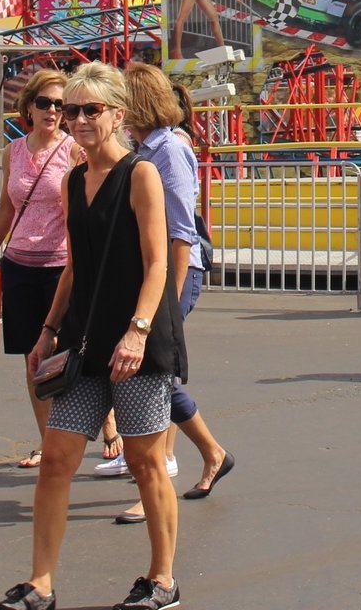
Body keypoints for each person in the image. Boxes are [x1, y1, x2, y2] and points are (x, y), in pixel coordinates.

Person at [0, 63, 187, 610]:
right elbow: (74, 267)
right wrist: (48, 330)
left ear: (117, 115)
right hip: (84, 338)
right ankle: (40, 582)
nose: (77, 120)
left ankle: (162, 578)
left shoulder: (140, 173)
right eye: (71, 110)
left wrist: (138, 331)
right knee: (57, 457)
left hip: (139, 341)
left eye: (89, 110)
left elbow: (157, 264)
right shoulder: (71, 181)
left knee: (147, 462)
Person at [117, 62, 233, 520]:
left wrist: (172, 296)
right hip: (155, 271)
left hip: (173, 272)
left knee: (154, 373)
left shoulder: (169, 149)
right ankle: (208, 453)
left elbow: (182, 230)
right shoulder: (147, 146)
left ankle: (166, 469)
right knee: (156, 374)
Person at [0, 68, 78, 469]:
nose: (53, 111)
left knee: (71, 353)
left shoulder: (74, 149)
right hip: (20, 264)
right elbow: (7, 206)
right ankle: (47, 441)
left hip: (61, 266)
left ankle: (104, 425)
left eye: (61, 105)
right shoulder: (14, 151)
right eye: (45, 103)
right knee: (33, 360)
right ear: (29, 106)